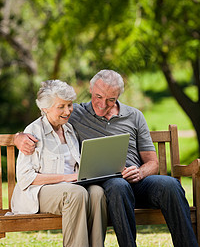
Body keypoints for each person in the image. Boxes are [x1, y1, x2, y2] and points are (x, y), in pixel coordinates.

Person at [14, 70, 198, 247]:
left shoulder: (135, 116)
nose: (102, 104)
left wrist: (140, 172)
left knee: (171, 185)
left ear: (118, 95)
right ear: (91, 91)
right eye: (98, 97)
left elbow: (153, 163)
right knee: (118, 186)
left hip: (137, 181)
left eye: (111, 99)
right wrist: (18, 137)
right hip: (109, 183)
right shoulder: (76, 113)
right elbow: (47, 119)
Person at [11, 80, 107, 247]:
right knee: (75, 193)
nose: (68, 111)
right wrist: (67, 177)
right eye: (61, 107)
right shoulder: (33, 132)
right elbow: (25, 178)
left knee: (97, 192)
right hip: (38, 193)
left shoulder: (69, 130)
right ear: (45, 108)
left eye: (69, 105)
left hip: (72, 187)